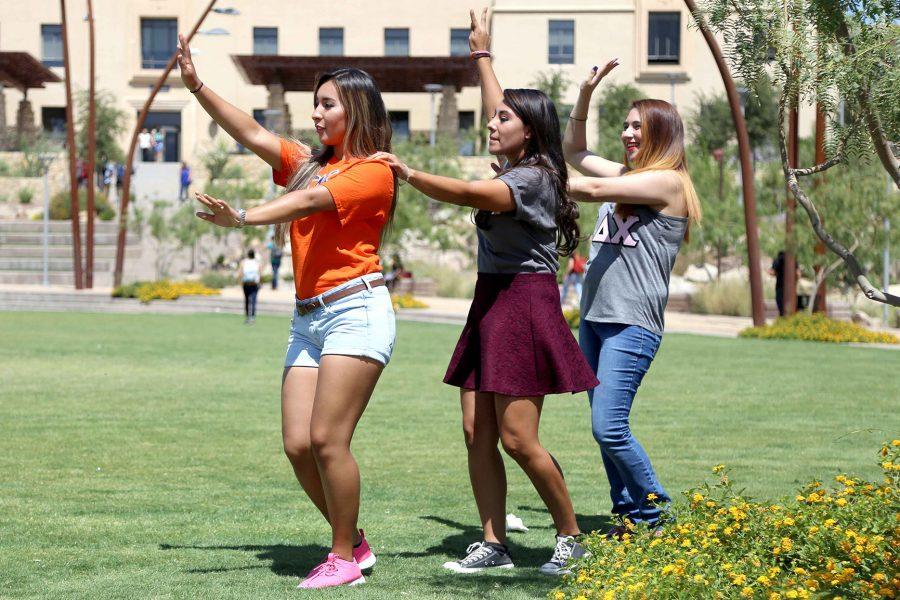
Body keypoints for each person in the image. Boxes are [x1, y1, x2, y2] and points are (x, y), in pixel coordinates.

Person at [371, 9, 596, 577]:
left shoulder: (532, 179)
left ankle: (571, 537)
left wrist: (411, 174)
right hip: (492, 300)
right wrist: (482, 56)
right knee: (477, 431)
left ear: (531, 132)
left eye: (503, 121)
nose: (493, 125)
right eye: (494, 118)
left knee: (519, 439)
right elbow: (505, 106)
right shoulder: (519, 156)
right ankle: (493, 542)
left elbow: (472, 192)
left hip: (524, 302)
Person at [178, 34, 397, 589]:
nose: (316, 112)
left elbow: (308, 203)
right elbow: (250, 132)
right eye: (315, 103)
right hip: (308, 318)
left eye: (328, 104)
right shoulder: (307, 162)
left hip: (355, 309)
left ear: (358, 109)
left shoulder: (373, 171)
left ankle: (343, 558)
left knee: (328, 439)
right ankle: (356, 543)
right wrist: (198, 88)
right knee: (298, 444)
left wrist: (245, 216)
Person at [563, 59, 702, 534]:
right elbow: (575, 150)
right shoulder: (629, 174)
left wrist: (529, 179)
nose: (627, 133)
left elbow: (593, 185)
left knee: (609, 427)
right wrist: (584, 94)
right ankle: (628, 517)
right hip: (596, 321)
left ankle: (657, 513)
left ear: (661, 134)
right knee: (605, 432)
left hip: (632, 326)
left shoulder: (668, 183)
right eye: (624, 125)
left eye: (638, 127)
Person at [238, 248, 261, 323]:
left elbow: (240, 273)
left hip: (246, 283)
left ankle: (248, 317)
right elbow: (259, 272)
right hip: (254, 284)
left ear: (248, 255)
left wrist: (240, 282)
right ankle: (253, 317)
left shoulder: (244, 262)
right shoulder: (257, 262)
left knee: (247, 300)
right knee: (254, 300)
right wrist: (260, 282)